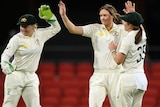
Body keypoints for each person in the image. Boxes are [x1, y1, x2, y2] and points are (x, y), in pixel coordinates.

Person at [58, 0, 135, 107]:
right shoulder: (95, 29)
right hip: (98, 74)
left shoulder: (121, 29)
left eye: (105, 15)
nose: (102, 18)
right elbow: (73, 29)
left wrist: (132, 15)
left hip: (116, 74)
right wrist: (63, 16)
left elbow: (137, 31)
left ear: (112, 16)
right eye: (101, 15)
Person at [0, 4, 61, 107]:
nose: (23, 29)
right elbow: (6, 55)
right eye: (21, 26)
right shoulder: (16, 38)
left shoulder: (40, 35)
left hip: (31, 76)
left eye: (26, 26)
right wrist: (5, 64)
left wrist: (50, 17)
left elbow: (56, 28)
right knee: (9, 105)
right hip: (16, 75)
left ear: (34, 26)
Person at [109, 12, 148, 107]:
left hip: (128, 79)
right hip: (141, 79)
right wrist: (134, 13)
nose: (123, 22)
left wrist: (113, 50)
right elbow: (140, 26)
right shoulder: (142, 34)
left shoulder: (127, 39)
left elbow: (118, 61)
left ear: (129, 25)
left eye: (125, 21)